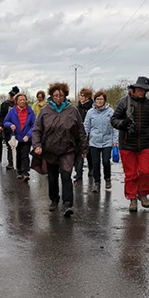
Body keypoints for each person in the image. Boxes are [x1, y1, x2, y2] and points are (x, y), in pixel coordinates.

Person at [32, 82, 88, 218]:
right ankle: (54, 199)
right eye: (56, 95)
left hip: (67, 149)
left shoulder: (72, 110)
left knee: (66, 176)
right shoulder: (45, 110)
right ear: (51, 96)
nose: (58, 98)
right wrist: (37, 145)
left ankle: (67, 203)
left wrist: (83, 148)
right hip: (50, 149)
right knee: (52, 177)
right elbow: (37, 130)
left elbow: (81, 130)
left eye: (61, 96)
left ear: (65, 96)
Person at [110, 76, 149, 212]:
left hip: (143, 144)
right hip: (127, 144)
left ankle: (143, 193)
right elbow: (113, 120)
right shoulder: (123, 102)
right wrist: (124, 123)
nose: (142, 92)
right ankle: (132, 198)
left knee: (146, 172)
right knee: (131, 174)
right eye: (140, 89)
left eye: (145, 90)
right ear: (135, 89)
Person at [84, 91, 117, 193]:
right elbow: (86, 127)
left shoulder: (110, 112)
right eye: (97, 99)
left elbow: (115, 127)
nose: (99, 101)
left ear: (105, 100)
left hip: (107, 141)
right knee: (95, 163)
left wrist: (115, 140)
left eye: (101, 99)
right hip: (94, 141)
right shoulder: (90, 112)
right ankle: (97, 182)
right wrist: (84, 139)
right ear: (95, 100)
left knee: (106, 161)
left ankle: (107, 178)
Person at [3, 92, 35, 182]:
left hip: (26, 138)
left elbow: (34, 125)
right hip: (16, 138)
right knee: (18, 155)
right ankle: (19, 171)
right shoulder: (12, 111)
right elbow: (5, 122)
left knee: (25, 155)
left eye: (24, 100)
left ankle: (25, 173)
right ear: (16, 101)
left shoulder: (30, 111)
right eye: (20, 100)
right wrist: (10, 125)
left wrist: (28, 135)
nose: (22, 101)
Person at [74, 88, 94, 182]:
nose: (80, 97)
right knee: (79, 152)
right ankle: (79, 172)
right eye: (80, 95)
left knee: (89, 152)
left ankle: (91, 168)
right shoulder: (77, 108)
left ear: (87, 97)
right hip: (79, 132)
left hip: (90, 132)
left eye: (82, 95)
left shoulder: (91, 108)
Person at [0, 86, 19, 170]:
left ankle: (17, 162)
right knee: (9, 145)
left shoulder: (19, 105)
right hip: (7, 128)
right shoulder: (5, 104)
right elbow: (1, 115)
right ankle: (11, 162)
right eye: (10, 96)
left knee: (17, 145)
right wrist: (0, 125)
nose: (11, 97)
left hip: (17, 128)